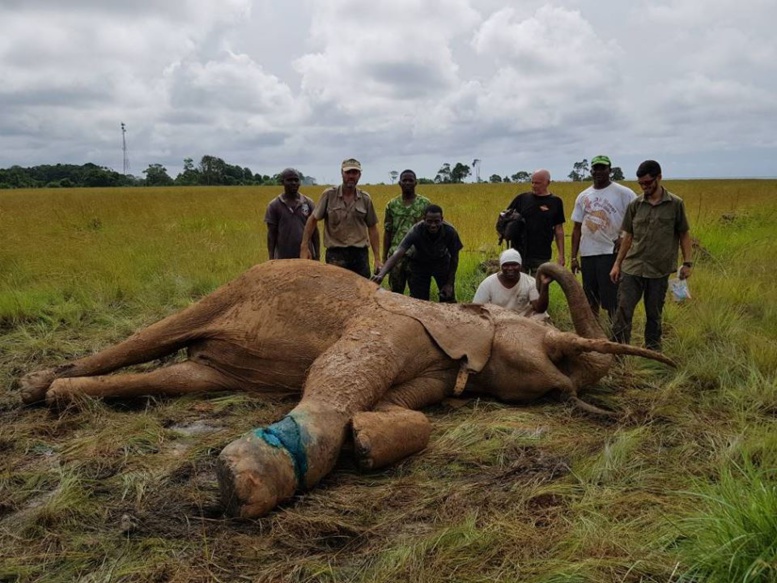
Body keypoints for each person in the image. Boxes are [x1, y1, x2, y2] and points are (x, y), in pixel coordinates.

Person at [610, 160, 693, 351]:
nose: (645, 187)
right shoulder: (635, 205)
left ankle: (653, 352)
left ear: (659, 178)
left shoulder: (675, 204)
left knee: (654, 314)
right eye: (641, 184)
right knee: (623, 310)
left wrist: (688, 263)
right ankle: (617, 352)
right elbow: (628, 237)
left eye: (648, 183)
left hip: (659, 270)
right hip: (633, 267)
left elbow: (683, 234)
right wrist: (617, 264)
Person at [570, 155, 637, 320]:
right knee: (590, 297)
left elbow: (638, 218)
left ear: (610, 170)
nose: (598, 171)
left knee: (612, 297)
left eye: (603, 168)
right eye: (595, 168)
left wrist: (624, 236)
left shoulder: (624, 193)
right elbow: (577, 228)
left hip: (611, 253)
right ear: (591, 171)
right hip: (588, 254)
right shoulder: (583, 196)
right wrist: (573, 256)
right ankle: (594, 332)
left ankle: (615, 332)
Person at [300, 158, 382, 278]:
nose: (351, 176)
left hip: (359, 255)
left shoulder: (365, 199)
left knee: (362, 293)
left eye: (355, 173)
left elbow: (372, 228)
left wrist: (377, 259)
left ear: (360, 175)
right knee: (335, 292)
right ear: (341, 173)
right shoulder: (329, 195)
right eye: (348, 172)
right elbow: (313, 220)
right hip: (336, 255)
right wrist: (304, 246)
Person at [372, 204, 462, 302]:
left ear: (442, 219)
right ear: (424, 219)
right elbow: (398, 253)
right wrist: (381, 274)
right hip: (420, 264)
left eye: (437, 221)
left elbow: (454, 258)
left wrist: (449, 283)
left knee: (448, 299)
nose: (433, 225)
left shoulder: (450, 231)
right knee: (419, 301)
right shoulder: (416, 230)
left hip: (441, 263)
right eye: (429, 221)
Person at [505, 169, 565, 274]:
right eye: (532, 182)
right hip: (519, 253)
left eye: (538, 183)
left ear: (548, 183)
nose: (534, 185)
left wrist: (561, 255)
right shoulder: (521, 199)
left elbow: (558, 229)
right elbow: (505, 219)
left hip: (541, 254)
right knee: (519, 286)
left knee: (539, 287)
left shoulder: (556, 202)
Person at [382, 169, 431, 294]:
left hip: (417, 256)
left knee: (419, 295)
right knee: (395, 295)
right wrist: (384, 258)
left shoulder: (425, 204)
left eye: (411, 180)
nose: (407, 183)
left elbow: (431, 230)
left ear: (416, 183)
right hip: (396, 257)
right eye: (404, 180)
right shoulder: (392, 205)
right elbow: (388, 232)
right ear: (400, 183)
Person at [472, 249, 551, 322]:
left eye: (514, 265)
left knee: (542, 315)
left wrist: (544, 285)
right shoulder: (488, 283)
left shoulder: (530, 282)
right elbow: (475, 309)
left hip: (523, 319)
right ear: (501, 267)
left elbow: (540, 309)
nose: (510, 268)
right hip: (498, 320)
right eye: (506, 265)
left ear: (520, 266)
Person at [264, 168, 320, 260]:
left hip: (306, 256)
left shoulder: (308, 203)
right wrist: (271, 258)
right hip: (283, 257)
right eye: (289, 180)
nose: (293, 183)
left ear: (300, 182)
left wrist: (317, 255)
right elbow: (271, 234)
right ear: (282, 182)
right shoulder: (274, 205)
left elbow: (315, 231)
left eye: (296, 180)